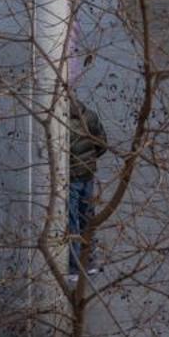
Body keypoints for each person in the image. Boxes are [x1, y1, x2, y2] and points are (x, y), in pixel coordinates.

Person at [67, 95, 108, 277]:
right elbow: (102, 144)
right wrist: (90, 161)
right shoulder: (89, 115)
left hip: (72, 178)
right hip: (88, 174)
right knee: (87, 216)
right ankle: (89, 257)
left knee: (72, 220)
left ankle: (75, 265)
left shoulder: (62, 123)